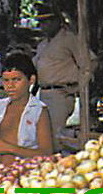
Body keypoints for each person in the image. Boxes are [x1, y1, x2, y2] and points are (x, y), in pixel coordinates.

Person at [0, 53, 54, 169]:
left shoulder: (38, 111)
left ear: (31, 80)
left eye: (16, 79)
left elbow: (47, 154)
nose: (10, 85)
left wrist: (7, 147)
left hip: (25, 177)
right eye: (6, 80)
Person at [33, 12, 96, 150]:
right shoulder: (43, 44)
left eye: (48, 22)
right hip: (43, 93)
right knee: (44, 133)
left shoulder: (69, 39)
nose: (44, 26)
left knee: (55, 135)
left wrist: (79, 86)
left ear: (57, 21)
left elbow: (90, 62)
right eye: (41, 23)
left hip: (60, 93)